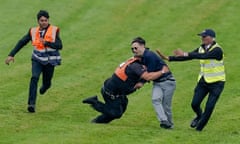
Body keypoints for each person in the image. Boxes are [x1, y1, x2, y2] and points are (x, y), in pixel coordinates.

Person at [157, 29, 225, 131]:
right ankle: (199, 116)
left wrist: (185, 53)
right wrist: (169, 58)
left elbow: (204, 56)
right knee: (194, 104)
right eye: (201, 36)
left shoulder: (217, 50)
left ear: (212, 38)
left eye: (204, 36)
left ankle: (199, 129)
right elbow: (189, 57)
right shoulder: (201, 48)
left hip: (217, 83)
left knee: (209, 107)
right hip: (203, 81)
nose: (202, 38)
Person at [5, 10, 63, 113]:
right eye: (42, 20)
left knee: (47, 82)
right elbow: (22, 42)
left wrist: (47, 43)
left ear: (48, 20)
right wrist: (11, 54)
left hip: (49, 61)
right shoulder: (33, 31)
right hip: (37, 59)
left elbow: (60, 46)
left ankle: (45, 87)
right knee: (34, 77)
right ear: (38, 21)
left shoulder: (54, 30)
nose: (44, 22)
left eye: (46, 20)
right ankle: (31, 104)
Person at [82, 56, 169, 123]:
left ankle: (97, 122)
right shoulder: (135, 67)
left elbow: (144, 76)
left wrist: (142, 82)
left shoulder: (135, 63)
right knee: (116, 113)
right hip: (110, 93)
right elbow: (147, 76)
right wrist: (162, 72)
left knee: (120, 108)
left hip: (117, 91)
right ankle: (94, 102)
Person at [131, 37, 176, 129]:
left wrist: (141, 83)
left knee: (166, 105)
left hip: (168, 82)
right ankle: (163, 121)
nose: (134, 50)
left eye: (136, 48)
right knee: (155, 100)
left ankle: (170, 124)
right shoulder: (141, 57)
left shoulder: (149, 56)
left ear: (143, 46)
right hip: (157, 83)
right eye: (132, 49)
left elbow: (149, 75)